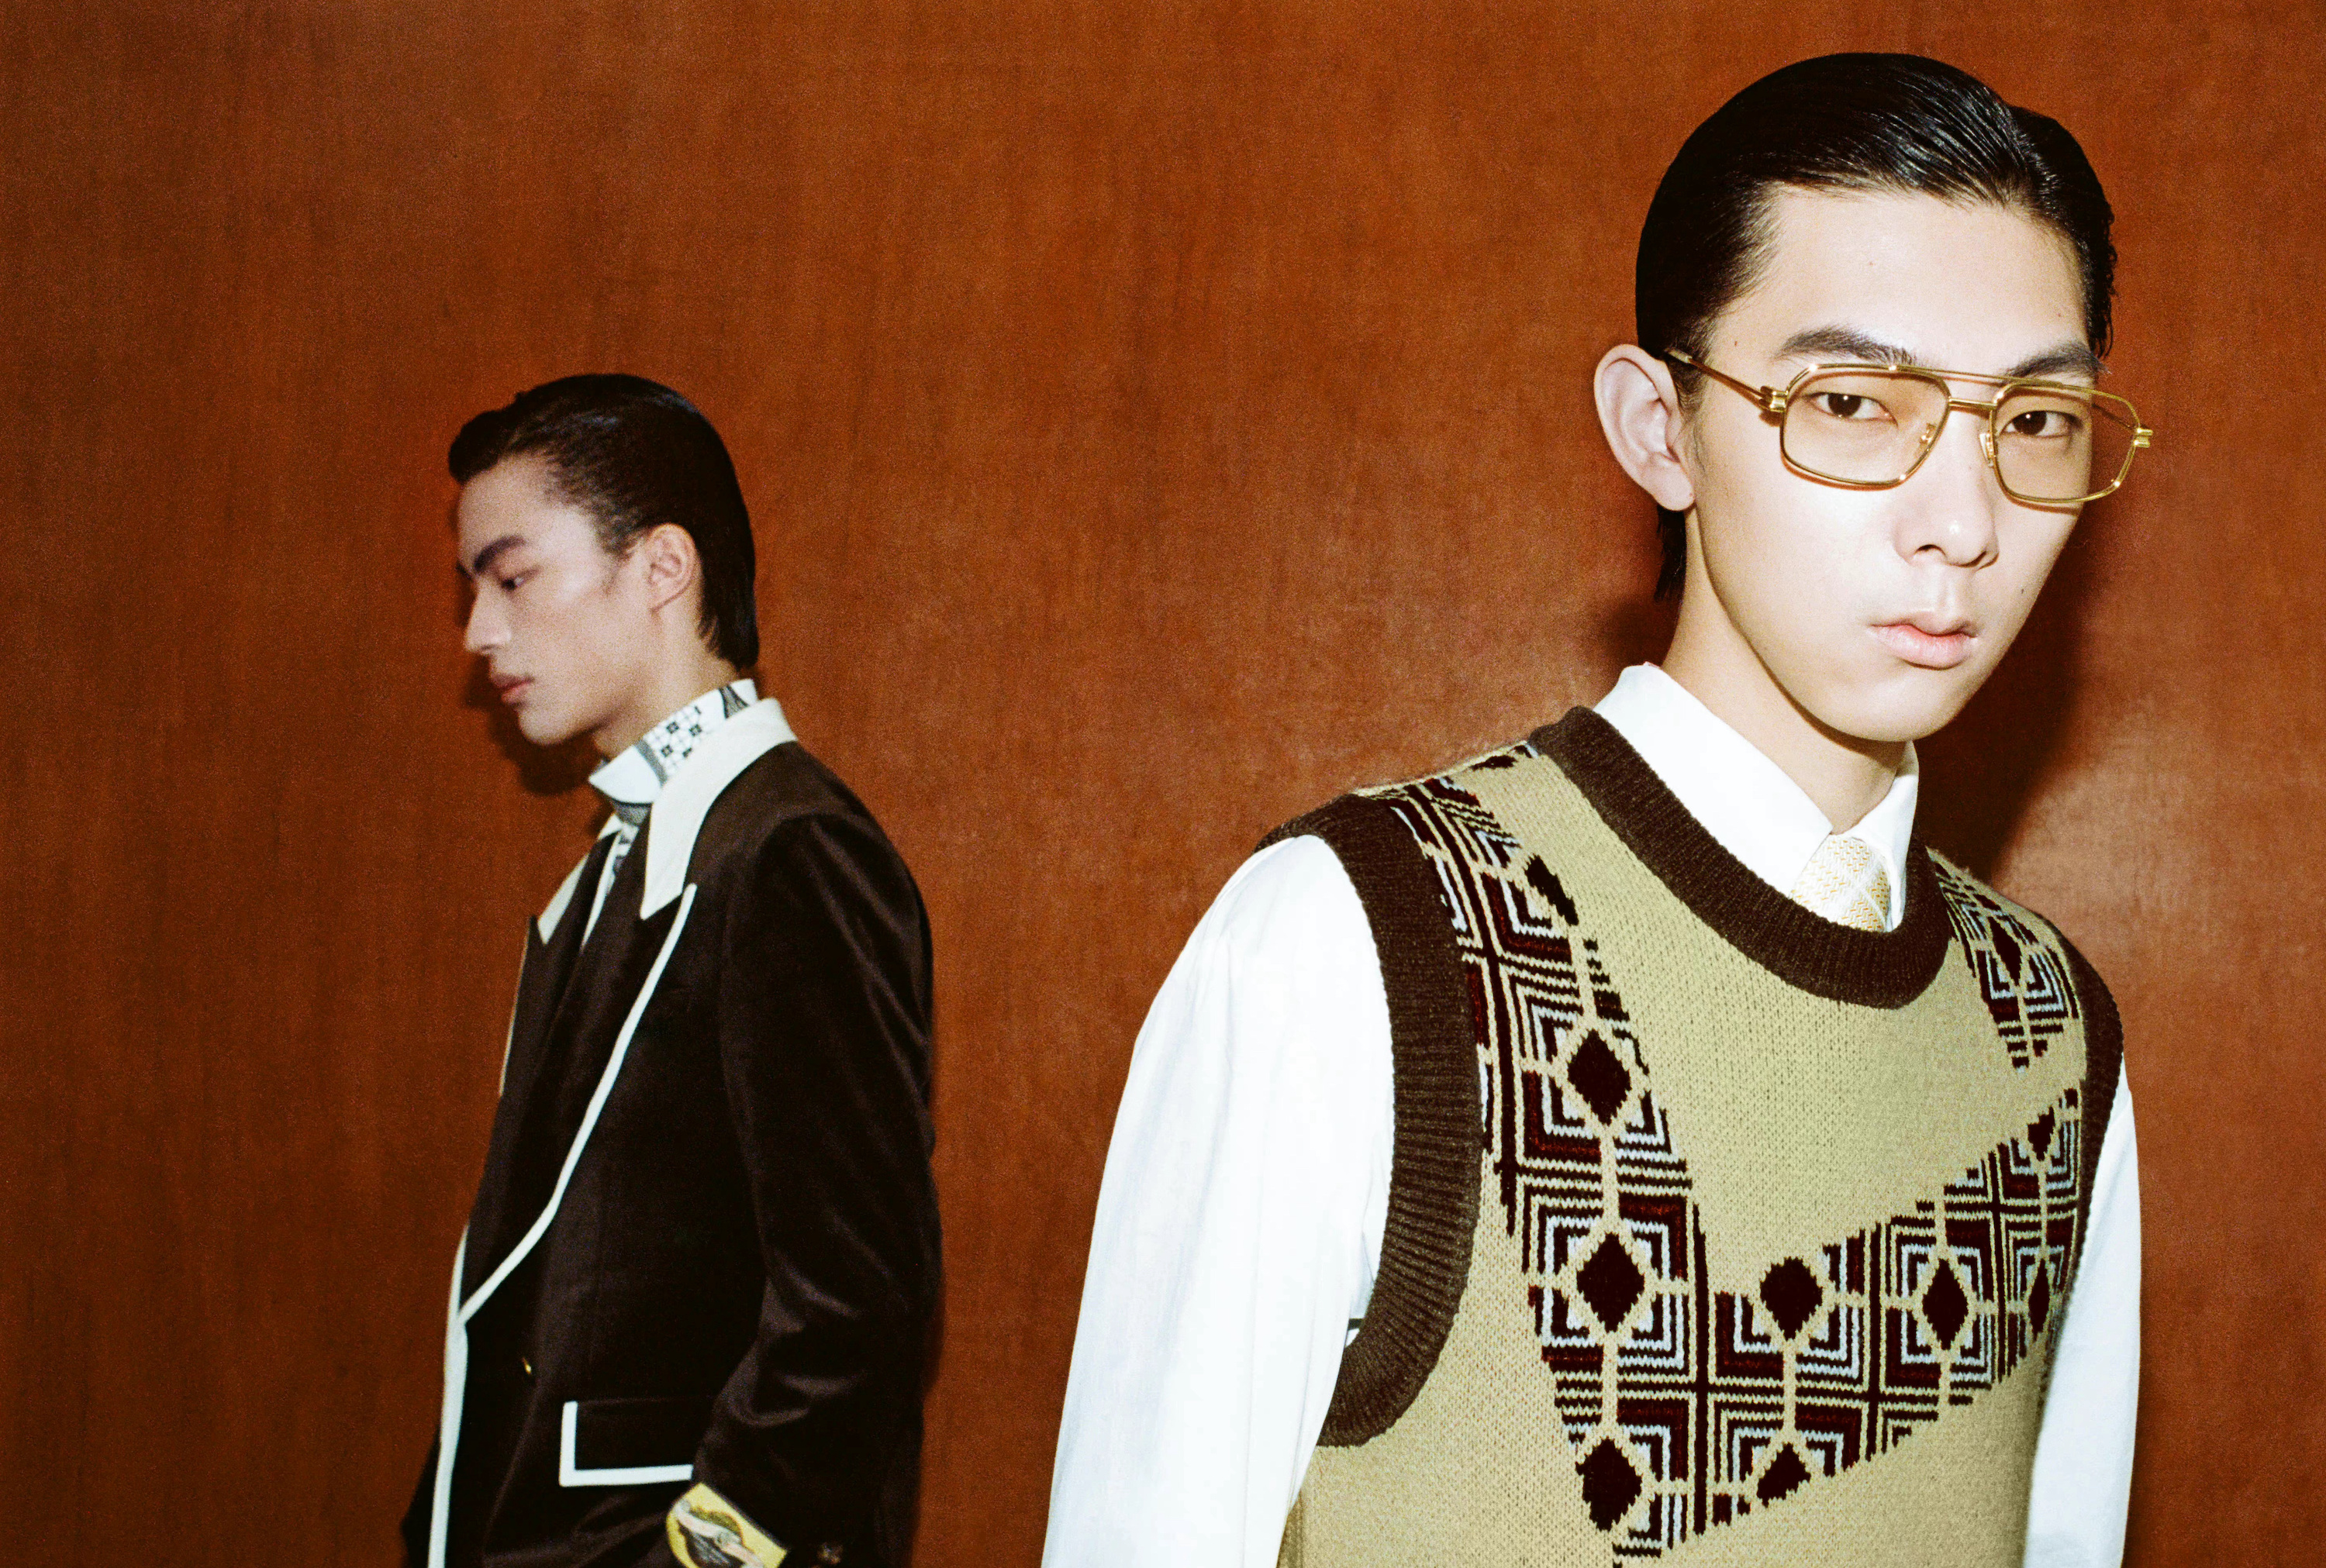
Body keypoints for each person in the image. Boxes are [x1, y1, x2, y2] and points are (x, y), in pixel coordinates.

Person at [1044, 53, 2145, 1568]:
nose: (1963, 522)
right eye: (1849, 403)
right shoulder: (1360, 940)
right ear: (1659, 429)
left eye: (2035, 420)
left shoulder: (2054, 1039)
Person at [404, 375, 941, 1568]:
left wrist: (699, 1560)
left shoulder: (792, 854)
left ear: (661, 568)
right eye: (473, 589)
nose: (479, 632)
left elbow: (855, 1318)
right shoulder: (620, 868)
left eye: (512, 578)